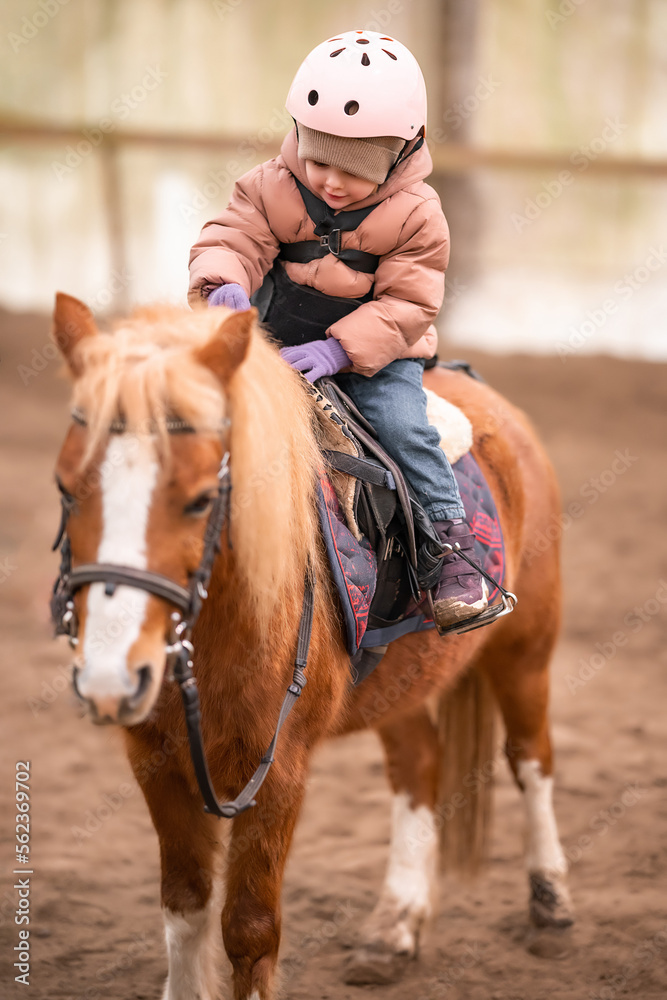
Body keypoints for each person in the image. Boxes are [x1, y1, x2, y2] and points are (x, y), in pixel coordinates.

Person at [188, 29, 488, 627]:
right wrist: (221, 283)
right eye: (318, 158)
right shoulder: (268, 183)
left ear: (402, 155)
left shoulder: (420, 215)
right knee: (181, 412)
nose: (329, 181)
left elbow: (409, 302)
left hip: (376, 351)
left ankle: (451, 549)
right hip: (271, 334)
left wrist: (339, 351)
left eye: (354, 172)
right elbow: (234, 238)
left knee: (403, 427)